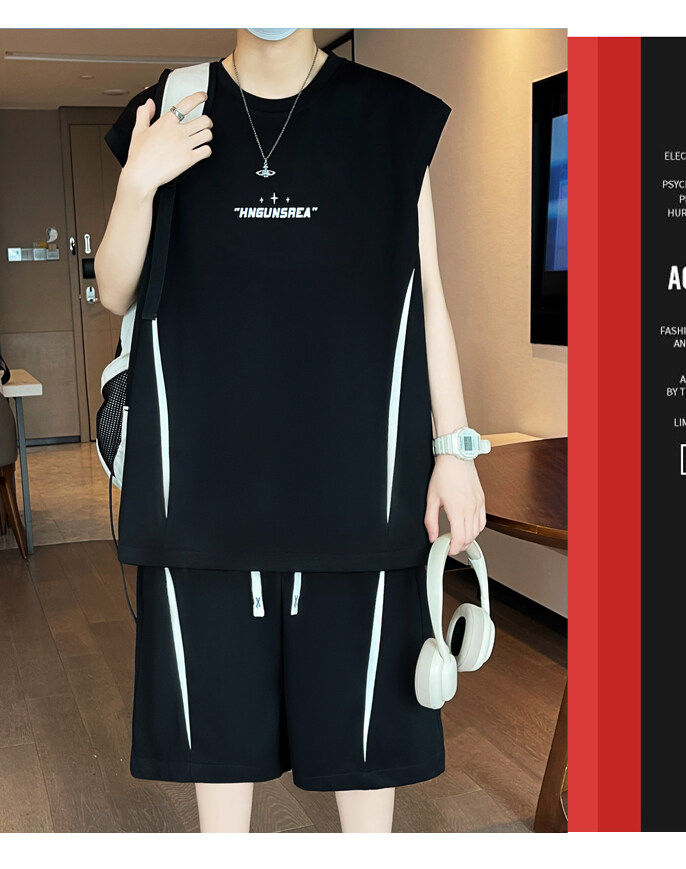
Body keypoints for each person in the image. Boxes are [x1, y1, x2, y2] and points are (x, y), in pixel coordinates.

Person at [95, 27, 487, 833]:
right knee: (217, 755)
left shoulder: (391, 118)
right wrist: (138, 182)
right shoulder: (173, 105)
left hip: (359, 491)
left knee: (365, 750)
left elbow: (427, 296)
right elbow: (113, 291)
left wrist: (454, 448)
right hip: (202, 495)